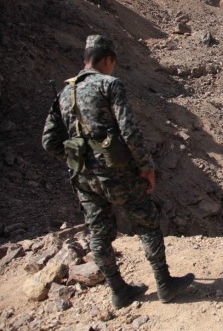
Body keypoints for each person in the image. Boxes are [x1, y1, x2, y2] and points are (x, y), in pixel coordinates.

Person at [42, 35, 194, 309]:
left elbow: (49, 142)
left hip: (82, 175)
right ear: (108, 59)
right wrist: (146, 167)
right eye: (114, 63)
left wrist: (75, 157)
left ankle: (118, 290)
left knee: (98, 230)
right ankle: (164, 284)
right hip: (116, 171)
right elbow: (129, 131)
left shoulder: (64, 93)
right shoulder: (109, 84)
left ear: (85, 58)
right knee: (146, 221)